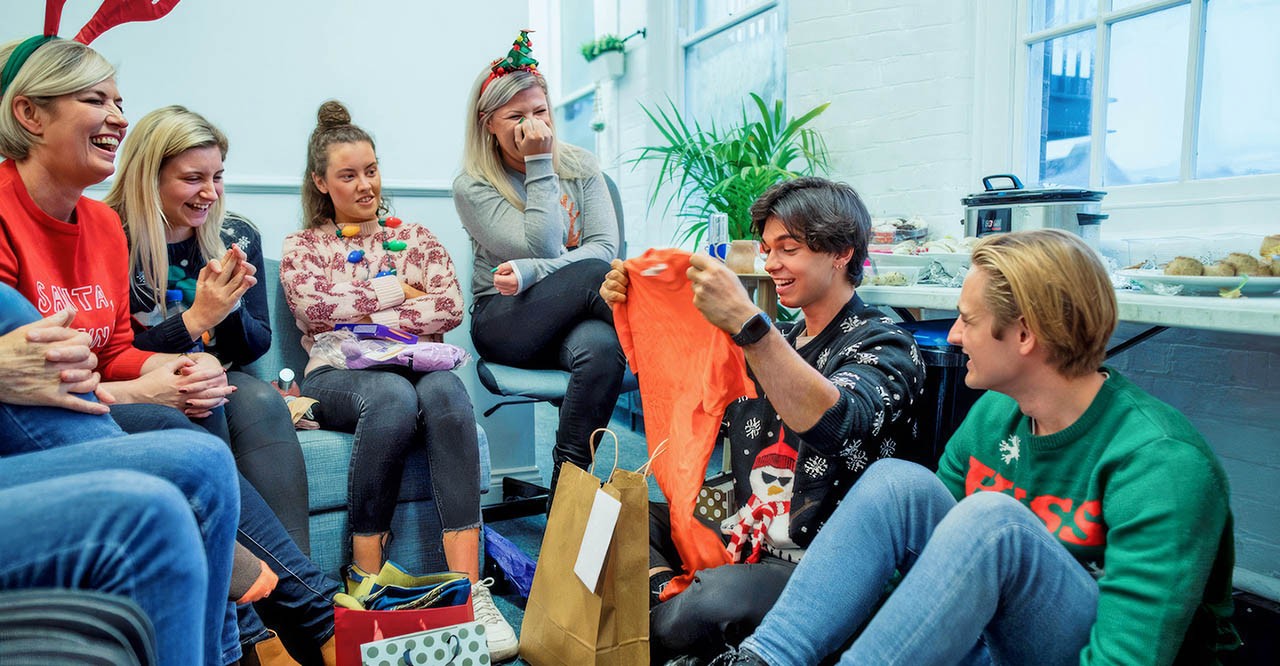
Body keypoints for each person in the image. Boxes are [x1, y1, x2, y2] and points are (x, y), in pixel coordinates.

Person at [710, 229, 1237, 666]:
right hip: (988, 640)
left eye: (968, 319)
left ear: (1025, 335)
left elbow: (1127, 656)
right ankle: (762, 660)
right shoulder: (995, 415)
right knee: (897, 484)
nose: (953, 336)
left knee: (993, 522)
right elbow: (924, 575)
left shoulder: (1161, 464)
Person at [0, 36, 338, 665]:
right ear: (30, 114)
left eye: (119, 102)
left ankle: (277, 634)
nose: (117, 116)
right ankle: (304, 624)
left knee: (215, 399)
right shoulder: (50, 217)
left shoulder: (102, 226)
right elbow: (35, 386)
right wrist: (169, 354)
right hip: (38, 425)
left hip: (90, 400)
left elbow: (115, 348)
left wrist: (186, 360)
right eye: (95, 99)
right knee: (185, 442)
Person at [600, 177, 925, 660]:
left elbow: (840, 423)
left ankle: (653, 622)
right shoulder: (781, 338)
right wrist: (644, 304)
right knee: (615, 514)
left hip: (820, 567)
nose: (771, 263)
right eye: (768, 249)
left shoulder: (885, 343)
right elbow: (696, 392)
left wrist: (750, 326)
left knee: (714, 600)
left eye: (789, 249)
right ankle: (670, 604)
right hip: (747, 531)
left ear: (841, 253)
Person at [280, 99, 517, 662]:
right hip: (336, 376)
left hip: (418, 366)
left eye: (371, 170)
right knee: (389, 397)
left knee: (447, 393)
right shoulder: (303, 247)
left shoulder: (415, 235)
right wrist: (398, 292)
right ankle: (366, 577)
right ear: (321, 182)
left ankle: (468, 591)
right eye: (348, 175)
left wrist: (356, 308)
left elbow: (449, 306)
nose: (365, 185)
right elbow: (314, 310)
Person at [0, 280, 240, 666]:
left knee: (203, 460)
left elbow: (112, 353)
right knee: (155, 511)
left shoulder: (103, 239)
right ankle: (302, 609)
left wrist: (88, 383)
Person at [106, 104, 311, 556]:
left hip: (223, 375)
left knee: (260, 401)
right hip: (143, 380)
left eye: (217, 177)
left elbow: (255, 347)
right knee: (203, 397)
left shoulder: (235, 235)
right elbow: (115, 353)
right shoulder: (109, 235)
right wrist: (196, 319)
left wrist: (229, 306)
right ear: (149, 178)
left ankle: (297, 574)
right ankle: (237, 582)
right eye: (192, 178)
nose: (210, 193)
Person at [453, 30, 625, 492]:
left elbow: (605, 247)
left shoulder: (582, 165)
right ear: (488, 123)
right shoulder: (473, 185)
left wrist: (531, 271)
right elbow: (547, 246)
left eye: (540, 112)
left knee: (602, 348)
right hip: (507, 320)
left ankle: (568, 491)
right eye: (516, 117)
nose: (534, 127)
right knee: (592, 275)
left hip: (575, 317)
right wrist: (539, 163)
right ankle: (665, 351)